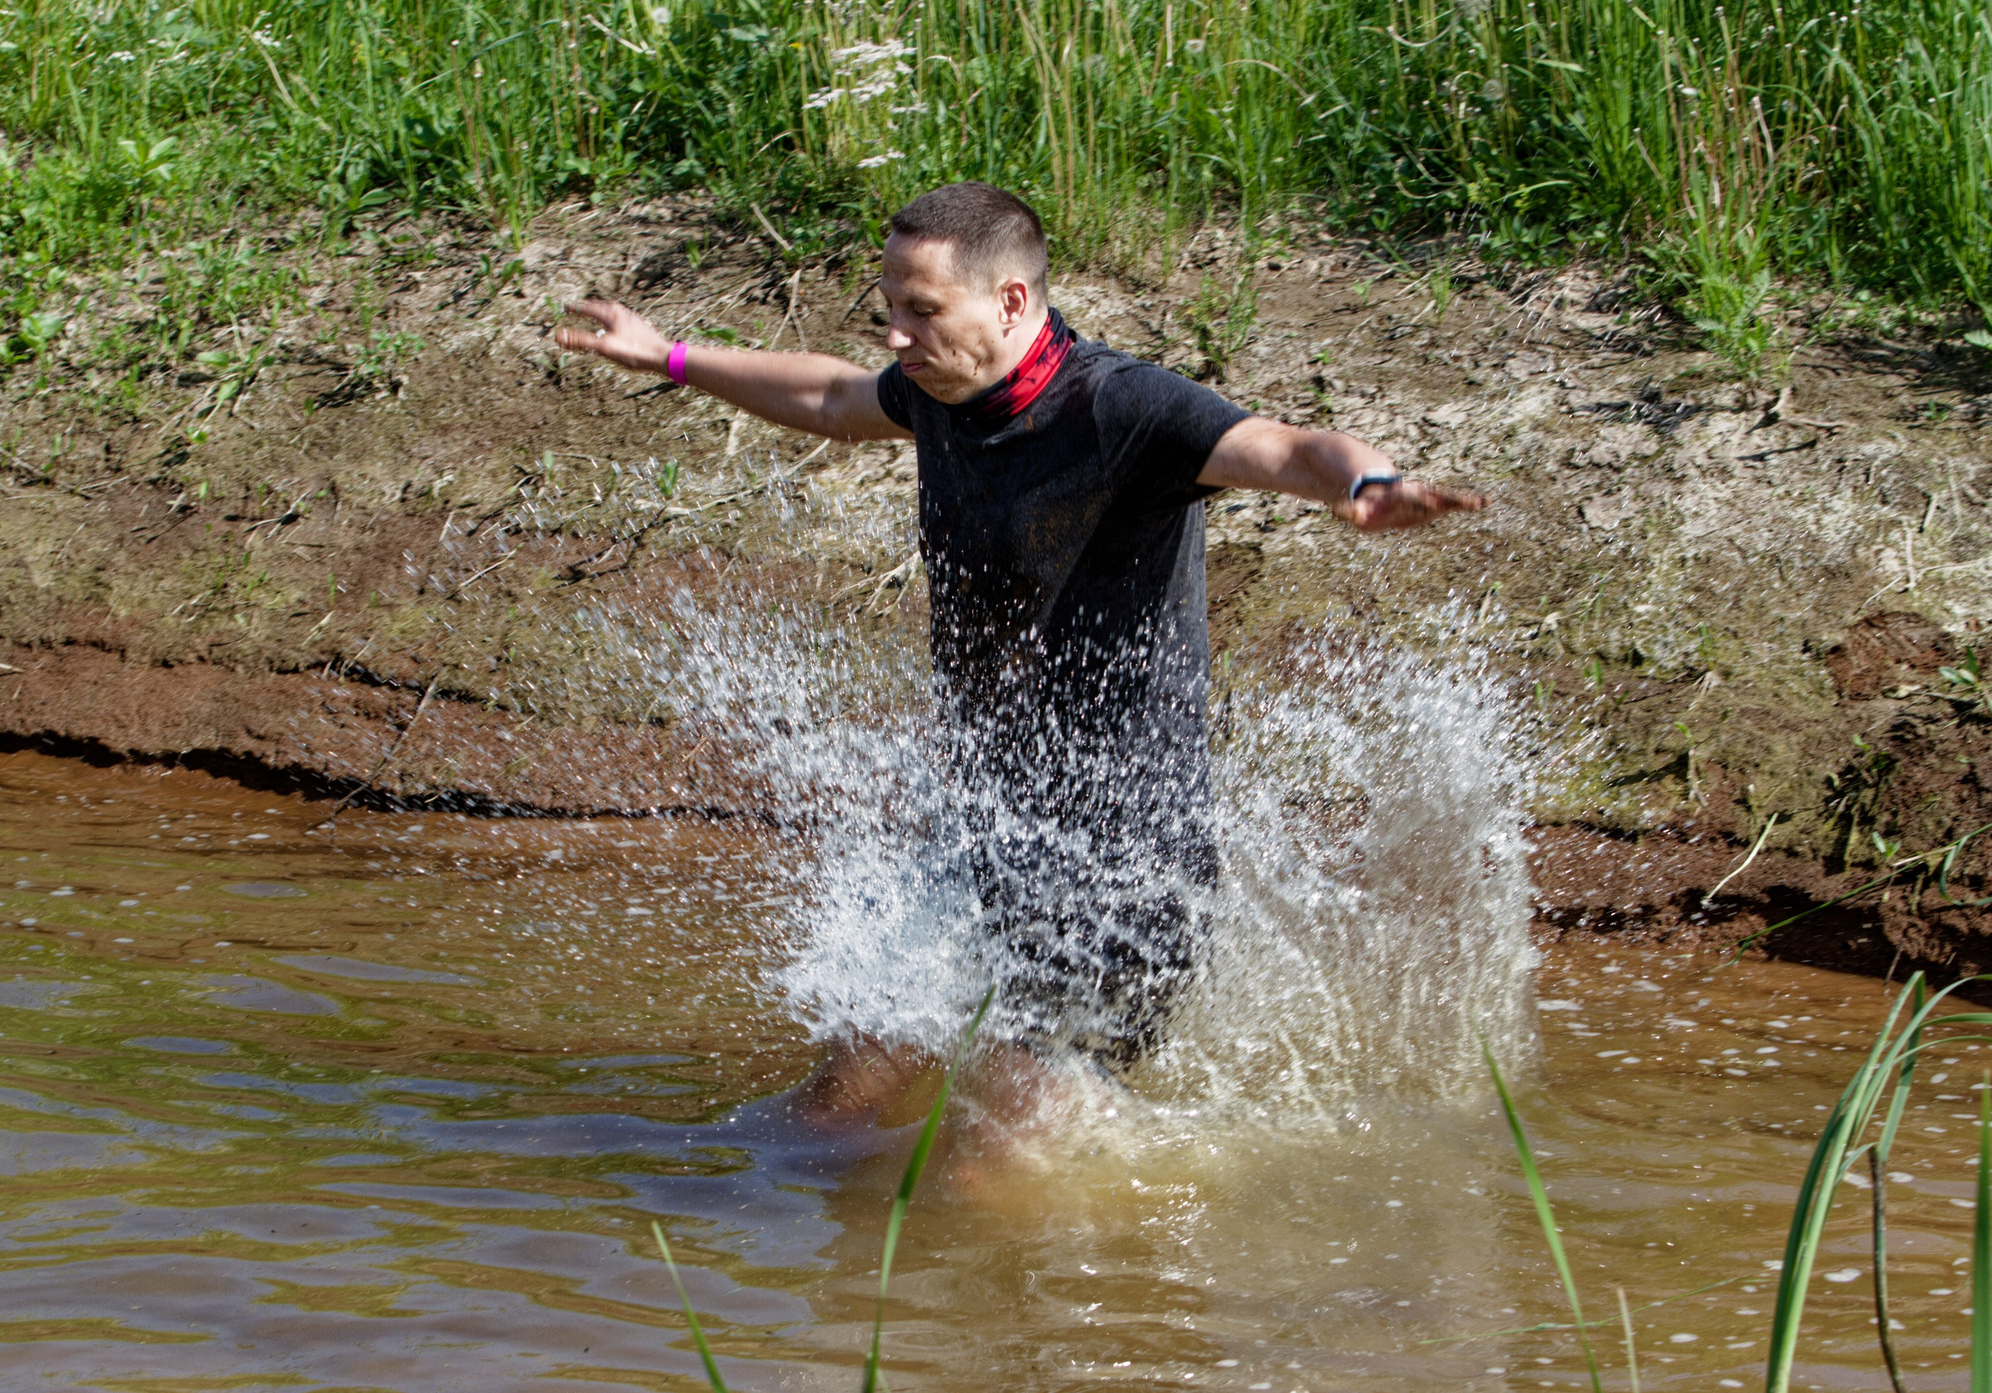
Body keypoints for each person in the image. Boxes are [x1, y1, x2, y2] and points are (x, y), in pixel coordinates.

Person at [554, 182, 1485, 1126]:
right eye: (889, 307)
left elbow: (1287, 447)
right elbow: (833, 395)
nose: (896, 336)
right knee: (834, 1103)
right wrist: (667, 354)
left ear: (1009, 301)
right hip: (984, 822)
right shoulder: (941, 391)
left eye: (921, 311)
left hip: (1127, 860)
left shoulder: (1126, 410)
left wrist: (1364, 481)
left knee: (997, 1139)